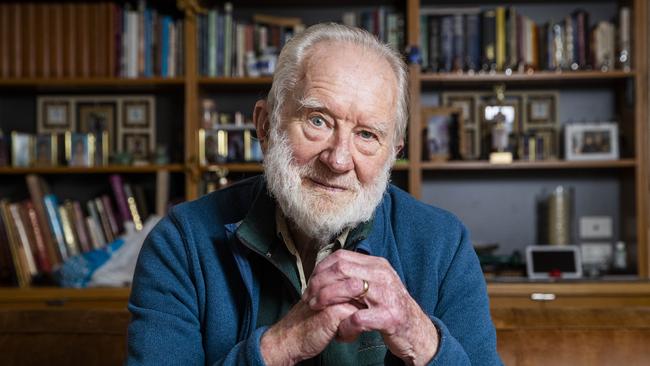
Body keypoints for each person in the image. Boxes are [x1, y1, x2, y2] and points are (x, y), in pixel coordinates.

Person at [127, 23, 502, 365]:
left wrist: (420, 336)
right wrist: (282, 345)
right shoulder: (180, 242)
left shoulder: (443, 243)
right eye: (317, 121)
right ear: (265, 125)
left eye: (367, 135)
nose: (338, 159)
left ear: (393, 153)